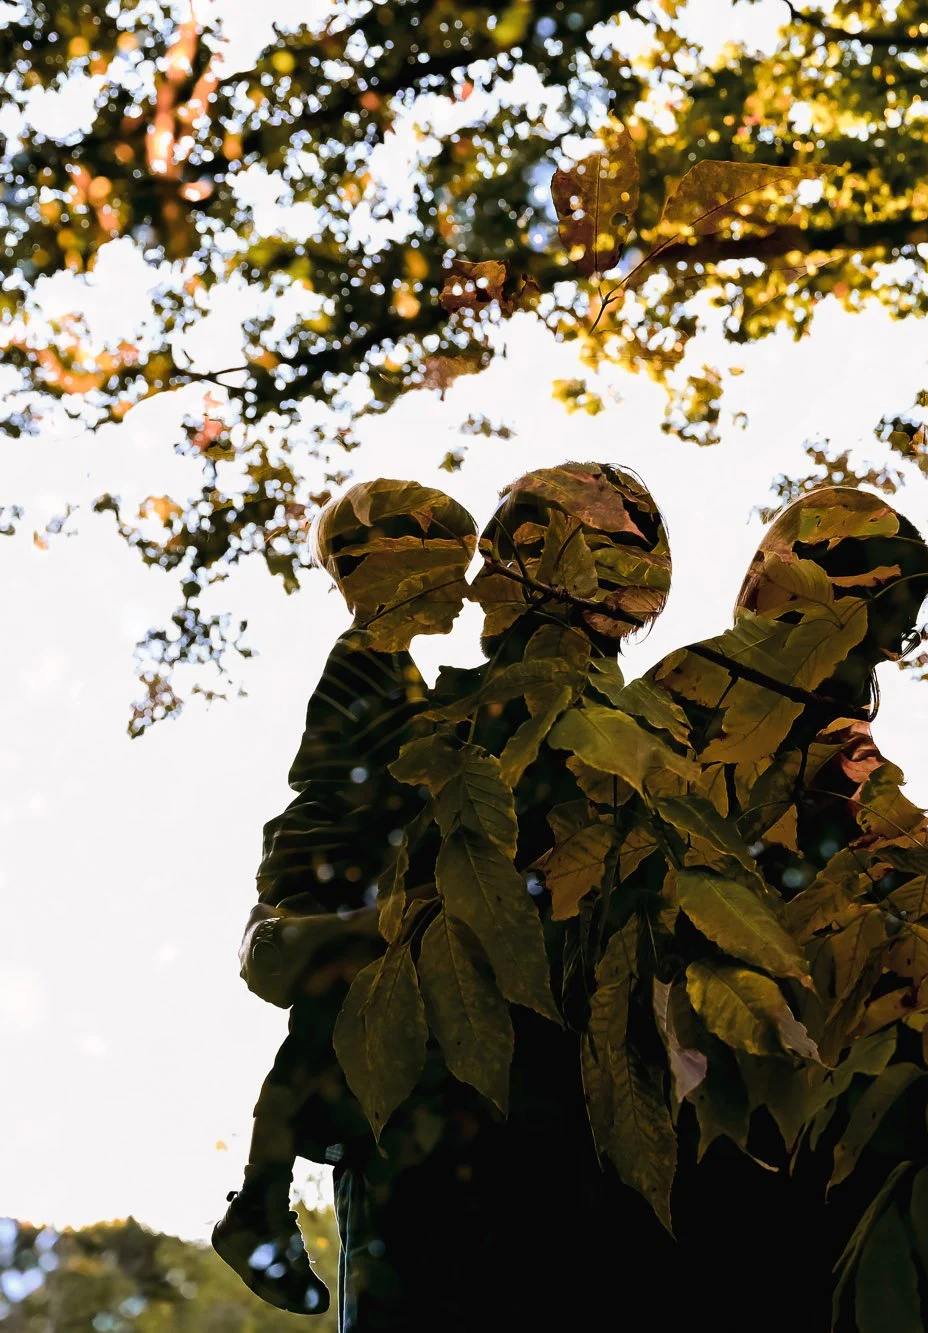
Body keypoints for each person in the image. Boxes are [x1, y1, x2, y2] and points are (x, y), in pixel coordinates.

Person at [647, 487, 928, 1332]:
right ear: (825, 595)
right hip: (736, 1079)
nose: (901, 645)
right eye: (891, 612)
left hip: (824, 1081)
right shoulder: (693, 693)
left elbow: (915, 902)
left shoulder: (814, 724)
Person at [326, 461, 687, 1329]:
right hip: (594, 1176)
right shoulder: (669, 751)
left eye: (498, 567)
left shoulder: (437, 732)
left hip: (463, 1171)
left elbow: (312, 925)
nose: (478, 586)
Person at [217, 479, 477, 1314]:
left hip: (323, 858)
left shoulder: (380, 662)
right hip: (325, 865)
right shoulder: (369, 662)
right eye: (451, 569)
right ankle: (257, 1203)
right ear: (401, 571)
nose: (465, 590)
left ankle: (260, 1201)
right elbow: (400, 767)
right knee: (324, 1019)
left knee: (322, 1024)